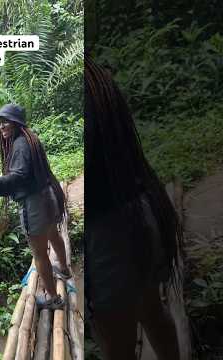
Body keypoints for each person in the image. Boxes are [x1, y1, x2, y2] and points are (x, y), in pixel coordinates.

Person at [84, 56, 181, 360]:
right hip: (141, 210)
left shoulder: (88, 88)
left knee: (118, 343)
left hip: (111, 231)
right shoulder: (96, 79)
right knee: (152, 307)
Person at [0, 103, 72, 310]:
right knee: (53, 234)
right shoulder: (29, 138)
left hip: (34, 203)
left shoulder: (21, 144)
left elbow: (18, 176)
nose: (2, 126)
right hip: (47, 196)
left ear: (16, 123)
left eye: (6, 122)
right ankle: (65, 270)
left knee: (39, 253)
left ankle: (53, 299)